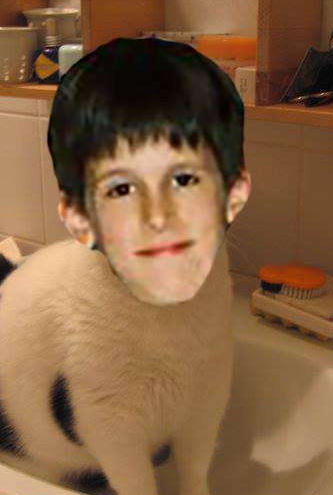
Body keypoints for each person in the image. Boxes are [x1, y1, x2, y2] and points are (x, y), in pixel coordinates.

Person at [48, 36, 251, 305]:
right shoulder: (81, 307)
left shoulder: (215, 288)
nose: (158, 217)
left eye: (184, 180)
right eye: (122, 189)